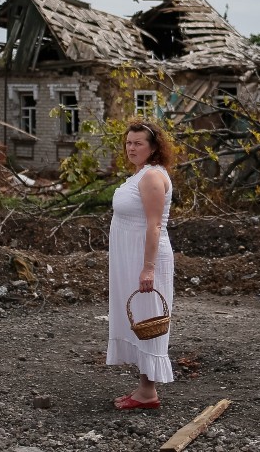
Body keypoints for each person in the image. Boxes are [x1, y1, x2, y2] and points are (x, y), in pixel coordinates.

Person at [106, 119, 175, 410]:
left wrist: (148, 268)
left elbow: (155, 225)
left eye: (138, 143)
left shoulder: (151, 177)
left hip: (146, 257)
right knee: (137, 320)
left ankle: (148, 392)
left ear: (153, 147)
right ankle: (144, 387)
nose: (131, 147)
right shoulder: (140, 174)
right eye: (129, 142)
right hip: (130, 256)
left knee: (148, 320)